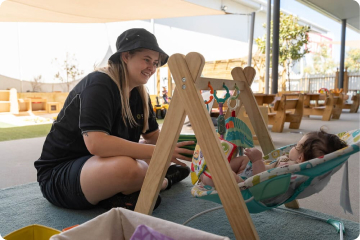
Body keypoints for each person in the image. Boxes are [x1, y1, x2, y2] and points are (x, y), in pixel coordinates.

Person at [34, 28, 194, 211]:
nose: (152, 67)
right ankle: (163, 181)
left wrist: (192, 148)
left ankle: (124, 194)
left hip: (97, 166)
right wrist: (160, 153)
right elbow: (97, 144)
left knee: (146, 153)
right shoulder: (99, 84)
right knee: (130, 166)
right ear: (125, 56)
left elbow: (153, 137)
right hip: (60, 176)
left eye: (156, 63)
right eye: (147, 59)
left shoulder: (140, 93)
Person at [200, 129, 347, 187]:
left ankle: (213, 173)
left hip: (247, 183)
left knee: (228, 176)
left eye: (296, 146)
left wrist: (257, 161)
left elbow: (260, 181)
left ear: (301, 158)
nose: (292, 148)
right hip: (250, 170)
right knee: (243, 161)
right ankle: (219, 168)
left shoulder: (288, 170)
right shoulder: (293, 165)